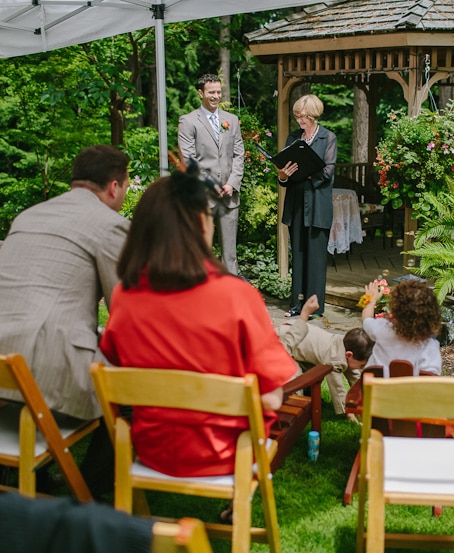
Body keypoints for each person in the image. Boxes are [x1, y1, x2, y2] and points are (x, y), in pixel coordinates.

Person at [99, 164, 297, 478]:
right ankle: (237, 504)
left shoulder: (125, 295)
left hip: (154, 451)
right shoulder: (237, 296)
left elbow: (115, 361)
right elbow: (272, 396)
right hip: (229, 454)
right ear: (200, 224)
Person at [0, 145, 131, 496]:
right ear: (114, 186)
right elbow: (124, 312)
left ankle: (25, 477)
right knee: (128, 393)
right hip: (37, 361)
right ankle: (87, 494)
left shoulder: (29, 216)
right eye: (125, 188)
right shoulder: (111, 225)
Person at [276, 94, 336, 318]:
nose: (299, 121)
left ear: (313, 115)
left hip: (318, 206)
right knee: (299, 256)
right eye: (297, 117)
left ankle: (314, 307)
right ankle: (296, 305)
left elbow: (327, 173)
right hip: (296, 205)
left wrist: (304, 175)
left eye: (303, 117)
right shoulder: (293, 138)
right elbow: (285, 174)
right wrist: (283, 175)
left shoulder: (328, 138)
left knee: (316, 258)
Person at [178, 73, 244, 275]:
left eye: (218, 91)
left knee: (230, 255)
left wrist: (232, 184)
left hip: (229, 196)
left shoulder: (231, 120)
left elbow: (238, 154)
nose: (216, 96)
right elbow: (189, 160)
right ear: (201, 93)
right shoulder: (188, 121)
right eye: (211, 92)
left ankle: (229, 299)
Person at [275, 294, 373, 420]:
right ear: (349, 355)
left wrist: (364, 399)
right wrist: (349, 414)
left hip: (296, 332)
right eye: (361, 365)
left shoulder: (346, 344)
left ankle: (310, 396)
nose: (361, 368)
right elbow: (338, 390)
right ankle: (293, 407)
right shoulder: (335, 359)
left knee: (310, 370)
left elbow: (355, 378)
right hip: (287, 340)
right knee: (296, 380)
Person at [360, 279, 442, 377]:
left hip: (375, 390)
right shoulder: (429, 347)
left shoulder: (382, 329)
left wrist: (371, 299)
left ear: (395, 314)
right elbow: (430, 377)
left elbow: (366, 319)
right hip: (408, 391)